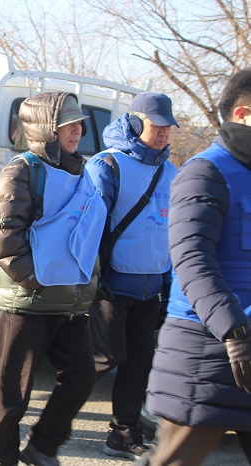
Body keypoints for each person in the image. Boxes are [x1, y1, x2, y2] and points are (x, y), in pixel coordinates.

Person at [138, 69, 251, 465]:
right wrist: (234, 331)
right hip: (209, 349)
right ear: (243, 113)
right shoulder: (206, 171)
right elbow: (192, 258)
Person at [0, 92, 105, 465]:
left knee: (83, 374)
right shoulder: (22, 169)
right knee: (13, 392)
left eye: (79, 123)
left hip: (69, 303)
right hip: (27, 301)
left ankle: (41, 447)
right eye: (69, 124)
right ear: (46, 128)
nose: (78, 131)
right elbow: (2, 232)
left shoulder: (80, 170)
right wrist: (35, 279)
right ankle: (1, 456)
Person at [84, 92, 178, 459]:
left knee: (139, 365)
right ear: (137, 124)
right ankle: (50, 425)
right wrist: (93, 278)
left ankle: (123, 433)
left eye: (169, 127)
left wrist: (169, 281)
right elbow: (88, 229)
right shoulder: (108, 165)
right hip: (111, 285)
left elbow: (172, 229)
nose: (164, 133)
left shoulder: (170, 170)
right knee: (101, 359)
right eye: (157, 126)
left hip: (151, 284)